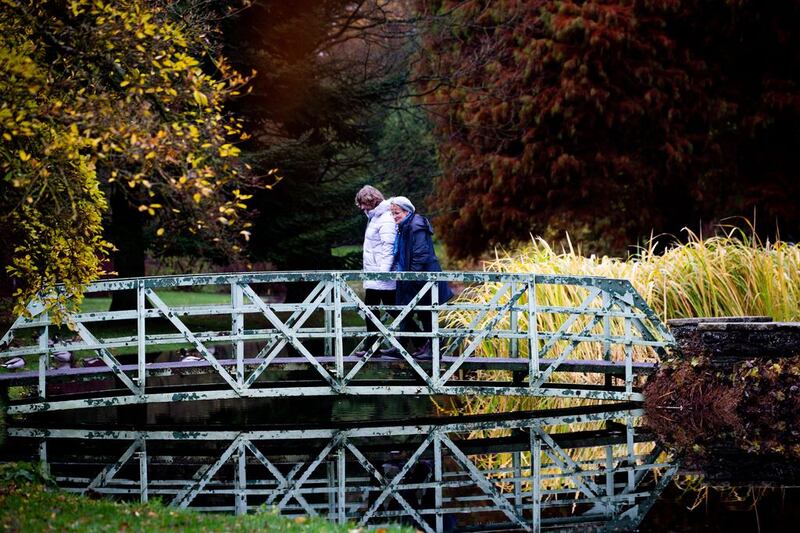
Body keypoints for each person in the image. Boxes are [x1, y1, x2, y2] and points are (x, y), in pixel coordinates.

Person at [381, 196, 453, 359]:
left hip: (422, 278)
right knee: (405, 310)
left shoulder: (416, 226)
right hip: (410, 276)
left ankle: (434, 349)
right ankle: (403, 346)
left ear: (407, 211)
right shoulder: (405, 226)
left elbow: (420, 254)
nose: (394, 216)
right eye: (392, 213)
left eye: (397, 212)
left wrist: (412, 277)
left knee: (426, 313)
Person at [354, 185, 397, 356]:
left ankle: (420, 341)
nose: (363, 208)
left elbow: (388, 247)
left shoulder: (385, 218)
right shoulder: (374, 217)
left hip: (381, 274)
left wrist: (382, 273)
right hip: (373, 273)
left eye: (365, 204)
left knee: (393, 309)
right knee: (371, 309)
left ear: (374, 201)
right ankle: (373, 347)